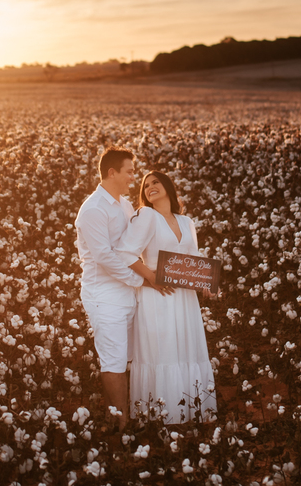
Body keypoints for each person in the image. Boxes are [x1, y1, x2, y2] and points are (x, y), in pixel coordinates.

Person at [117, 170, 217, 424]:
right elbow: (125, 253)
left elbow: (193, 262)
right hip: (157, 296)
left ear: (168, 187)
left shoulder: (187, 222)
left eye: (155, 182)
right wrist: (150, 277)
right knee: (163, 354)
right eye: (145, 185)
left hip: (185, 300)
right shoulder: (147, 216)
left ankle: (190, 415)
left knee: (185, 352)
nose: (150, 187)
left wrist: (207, 283)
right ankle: (162, 419)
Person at [74, 148, 160, 431]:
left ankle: (131, 413)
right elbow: (105, 256)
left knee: (131, 357)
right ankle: (121, 421)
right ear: (112, 173)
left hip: (128, 293)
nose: (133, 178)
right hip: (104, 295)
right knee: (113, 360)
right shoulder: (93, 209)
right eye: (129, 172)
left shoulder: (122, 204)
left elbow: (130, 247)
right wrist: (142, 279)